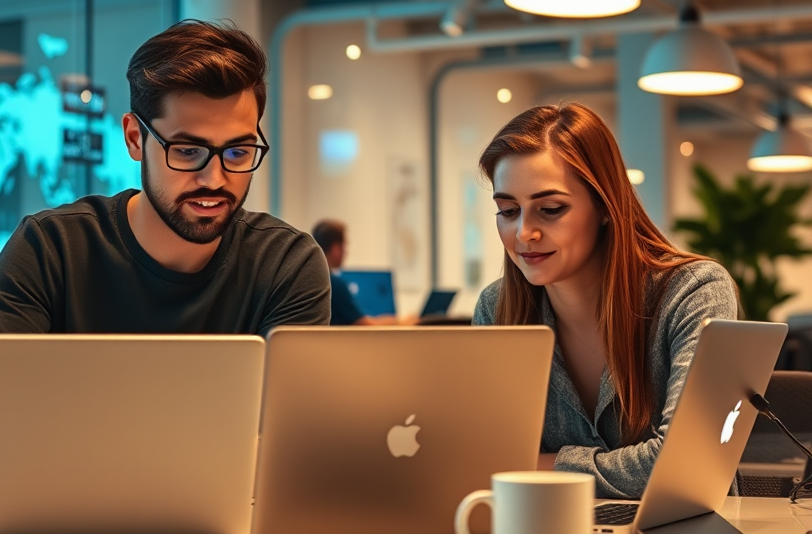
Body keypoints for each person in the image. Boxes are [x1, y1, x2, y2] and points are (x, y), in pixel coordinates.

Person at [0, 19, 331, 449]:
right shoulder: (53, 247)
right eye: (188, 151)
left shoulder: (287, 263)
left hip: (227, 514)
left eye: (237, 151)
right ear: (135, 138)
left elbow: (289, 435)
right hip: (59, 510)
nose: (215, 178)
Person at [473, 103, 737, 499]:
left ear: (604, 206)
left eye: (550, 209)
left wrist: (543, 465)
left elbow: (686, 466)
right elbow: (478, 459)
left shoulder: (693, 292)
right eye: (508, 211)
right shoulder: (497, 310)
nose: (524, 233)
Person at [311, 219, 416, 326]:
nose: (346, 251)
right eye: (344, 245)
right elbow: (365, 324)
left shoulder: (313, 280)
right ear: (335, 248)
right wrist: (401, 322)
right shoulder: (334, 284)